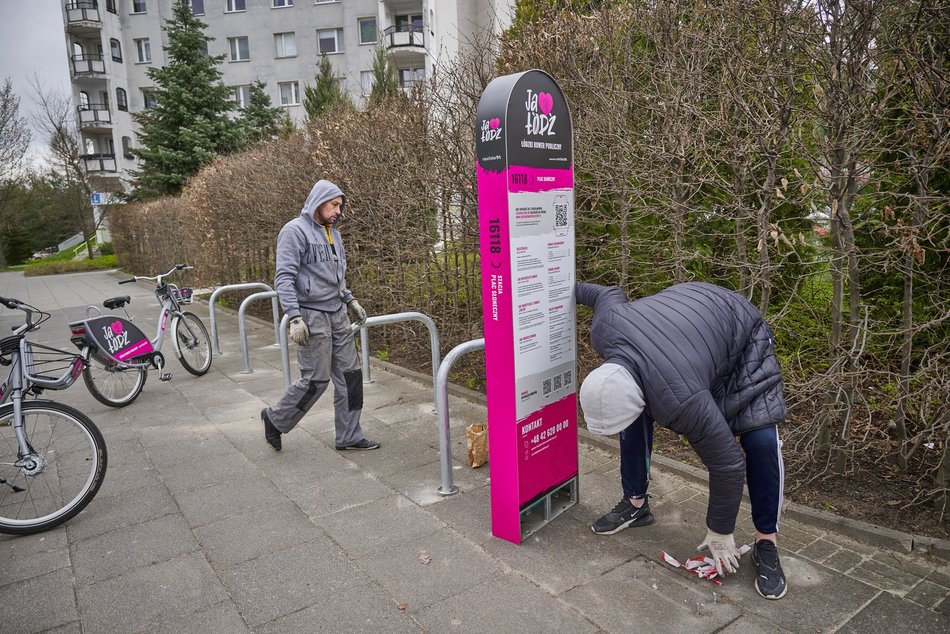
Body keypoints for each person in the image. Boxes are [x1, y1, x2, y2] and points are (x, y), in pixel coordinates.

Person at [576, 281, 788, 600]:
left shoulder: (680, 401)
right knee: (634, 418)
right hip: (689, 332)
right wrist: (558, 286)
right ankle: (636, 505)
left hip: (742, 334)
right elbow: (604, 293)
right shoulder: (605, 326)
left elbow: (728, 463)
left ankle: (766, 541)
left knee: (761, 440)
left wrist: (719, 531)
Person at [261, 180, 379, 453]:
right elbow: (284, 277)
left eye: (341, 205)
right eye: (334, 204)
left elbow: (336, 277)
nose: (338, 211)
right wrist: (294, 317)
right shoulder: (294, 232)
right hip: (311, 316)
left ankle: (349, 436)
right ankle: (275, 417)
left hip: (337, 313)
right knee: (316, 380)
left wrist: (350, 300)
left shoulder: (333, 234)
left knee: (351, 377)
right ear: (319, 201)